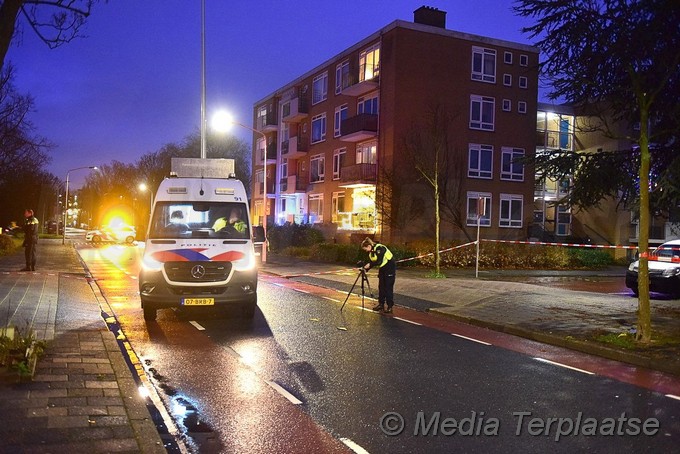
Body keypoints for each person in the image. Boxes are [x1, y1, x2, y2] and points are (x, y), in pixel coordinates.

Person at [361, 237, 396, 313]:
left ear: (369, 246)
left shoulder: (380, 248)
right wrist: (365, 268)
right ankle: (381, 304)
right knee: (381, 287)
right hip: (383, 268)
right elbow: (373, 261)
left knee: (388, 287)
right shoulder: (371, 252)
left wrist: (369, 265)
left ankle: (390, 306)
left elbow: (379, 261)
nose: (366, 251)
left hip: (390, 268)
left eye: (365, 249)